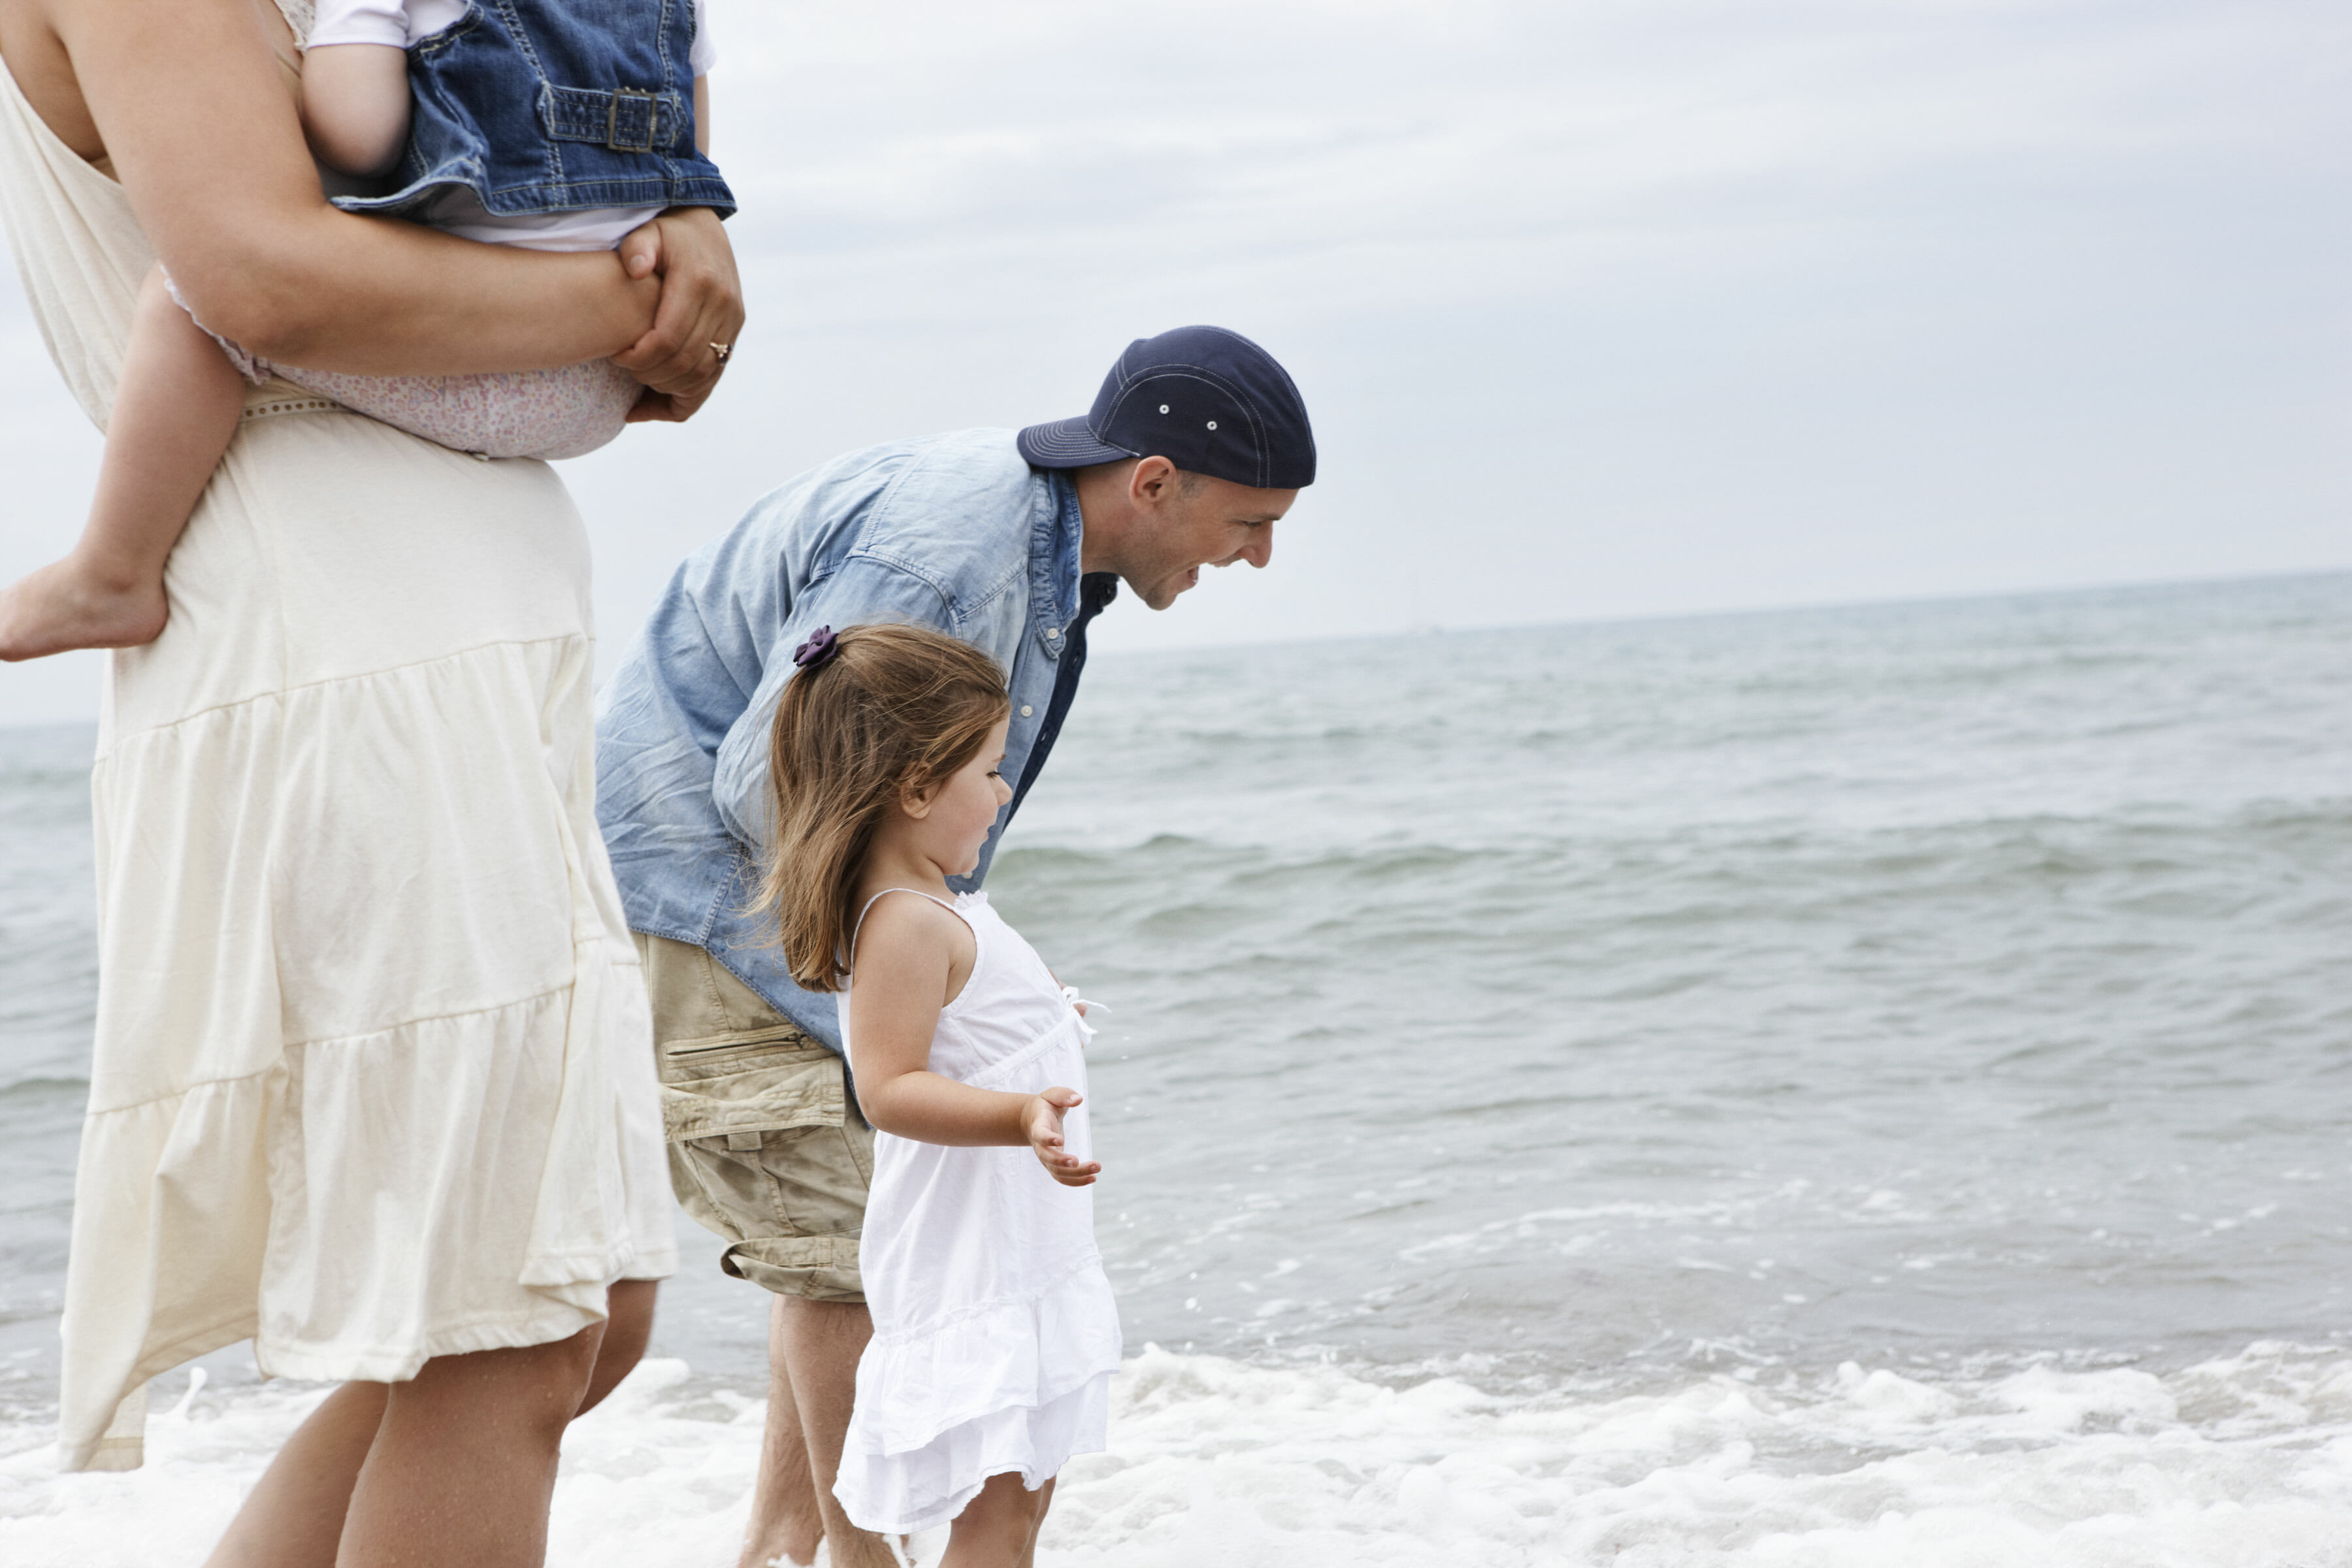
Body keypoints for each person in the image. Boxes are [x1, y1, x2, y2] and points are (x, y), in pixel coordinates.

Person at [0, 0, 740, 1562]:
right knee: (514, 1315)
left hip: (441, 630)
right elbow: (261, 277)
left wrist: (667, 235)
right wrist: (638, 305)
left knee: (563, 1309)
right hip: (339, 626)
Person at [595, 325, 1317, 1567]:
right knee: (841, 1261)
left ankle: (784, 1548)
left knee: (848, 1242)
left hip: (770, 890)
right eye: (1249, 522)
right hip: (708, 892)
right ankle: (859, 1556)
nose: (1255, 555)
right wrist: (911, 953)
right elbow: (774, 781)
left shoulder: (1047, 537)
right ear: (1154, 483)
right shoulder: (952, 561)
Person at [0, 0, 730, 662]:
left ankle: (112, 572)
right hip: (601, 384)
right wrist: (667, 277)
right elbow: (686, 159)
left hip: (364, 566)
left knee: (187, 301)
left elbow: (354, 146)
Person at [764, 621, 1119, 1564]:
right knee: (995, 1519)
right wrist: (1017, 1114)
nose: (1004, 794)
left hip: (1019, 1252)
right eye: (991, 772)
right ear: (916, 786)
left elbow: (967, 1027)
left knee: (1020, 1509)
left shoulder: (938, 907)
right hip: (975, 1265)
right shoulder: (905, 922)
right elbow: (888, 1087)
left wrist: (1046, 1020)